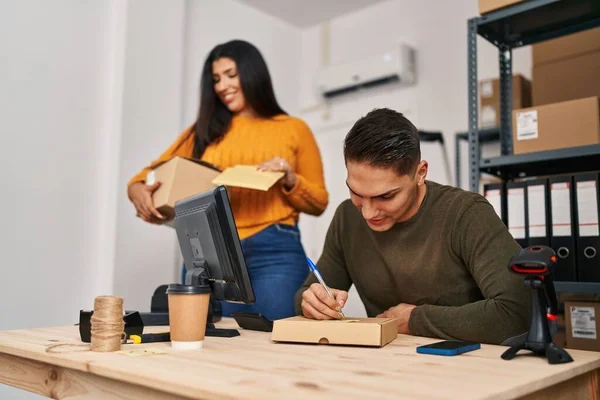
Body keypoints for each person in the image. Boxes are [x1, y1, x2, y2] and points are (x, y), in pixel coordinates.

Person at [128, 40, 328, 321]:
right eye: (216, 79)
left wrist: (289, 178)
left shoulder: (294, 129)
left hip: (274, 252)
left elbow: (319, 202)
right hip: (209, 252)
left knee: (277, 345)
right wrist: (137, 190)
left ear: (252, 73)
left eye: (231, 75)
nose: (222, 86)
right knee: (205, 346)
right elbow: (144, 177)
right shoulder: (201, 132)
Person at [295, 108, 530, 345]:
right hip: (388, 363)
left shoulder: (466, 213)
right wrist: (313, 303)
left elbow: (516, 312)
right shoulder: (347, 217)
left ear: (420, 173)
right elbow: (305, 296)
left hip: (467, 363)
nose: (368, 212)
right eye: (356, 193)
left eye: (385, 197)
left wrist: (414, 320)